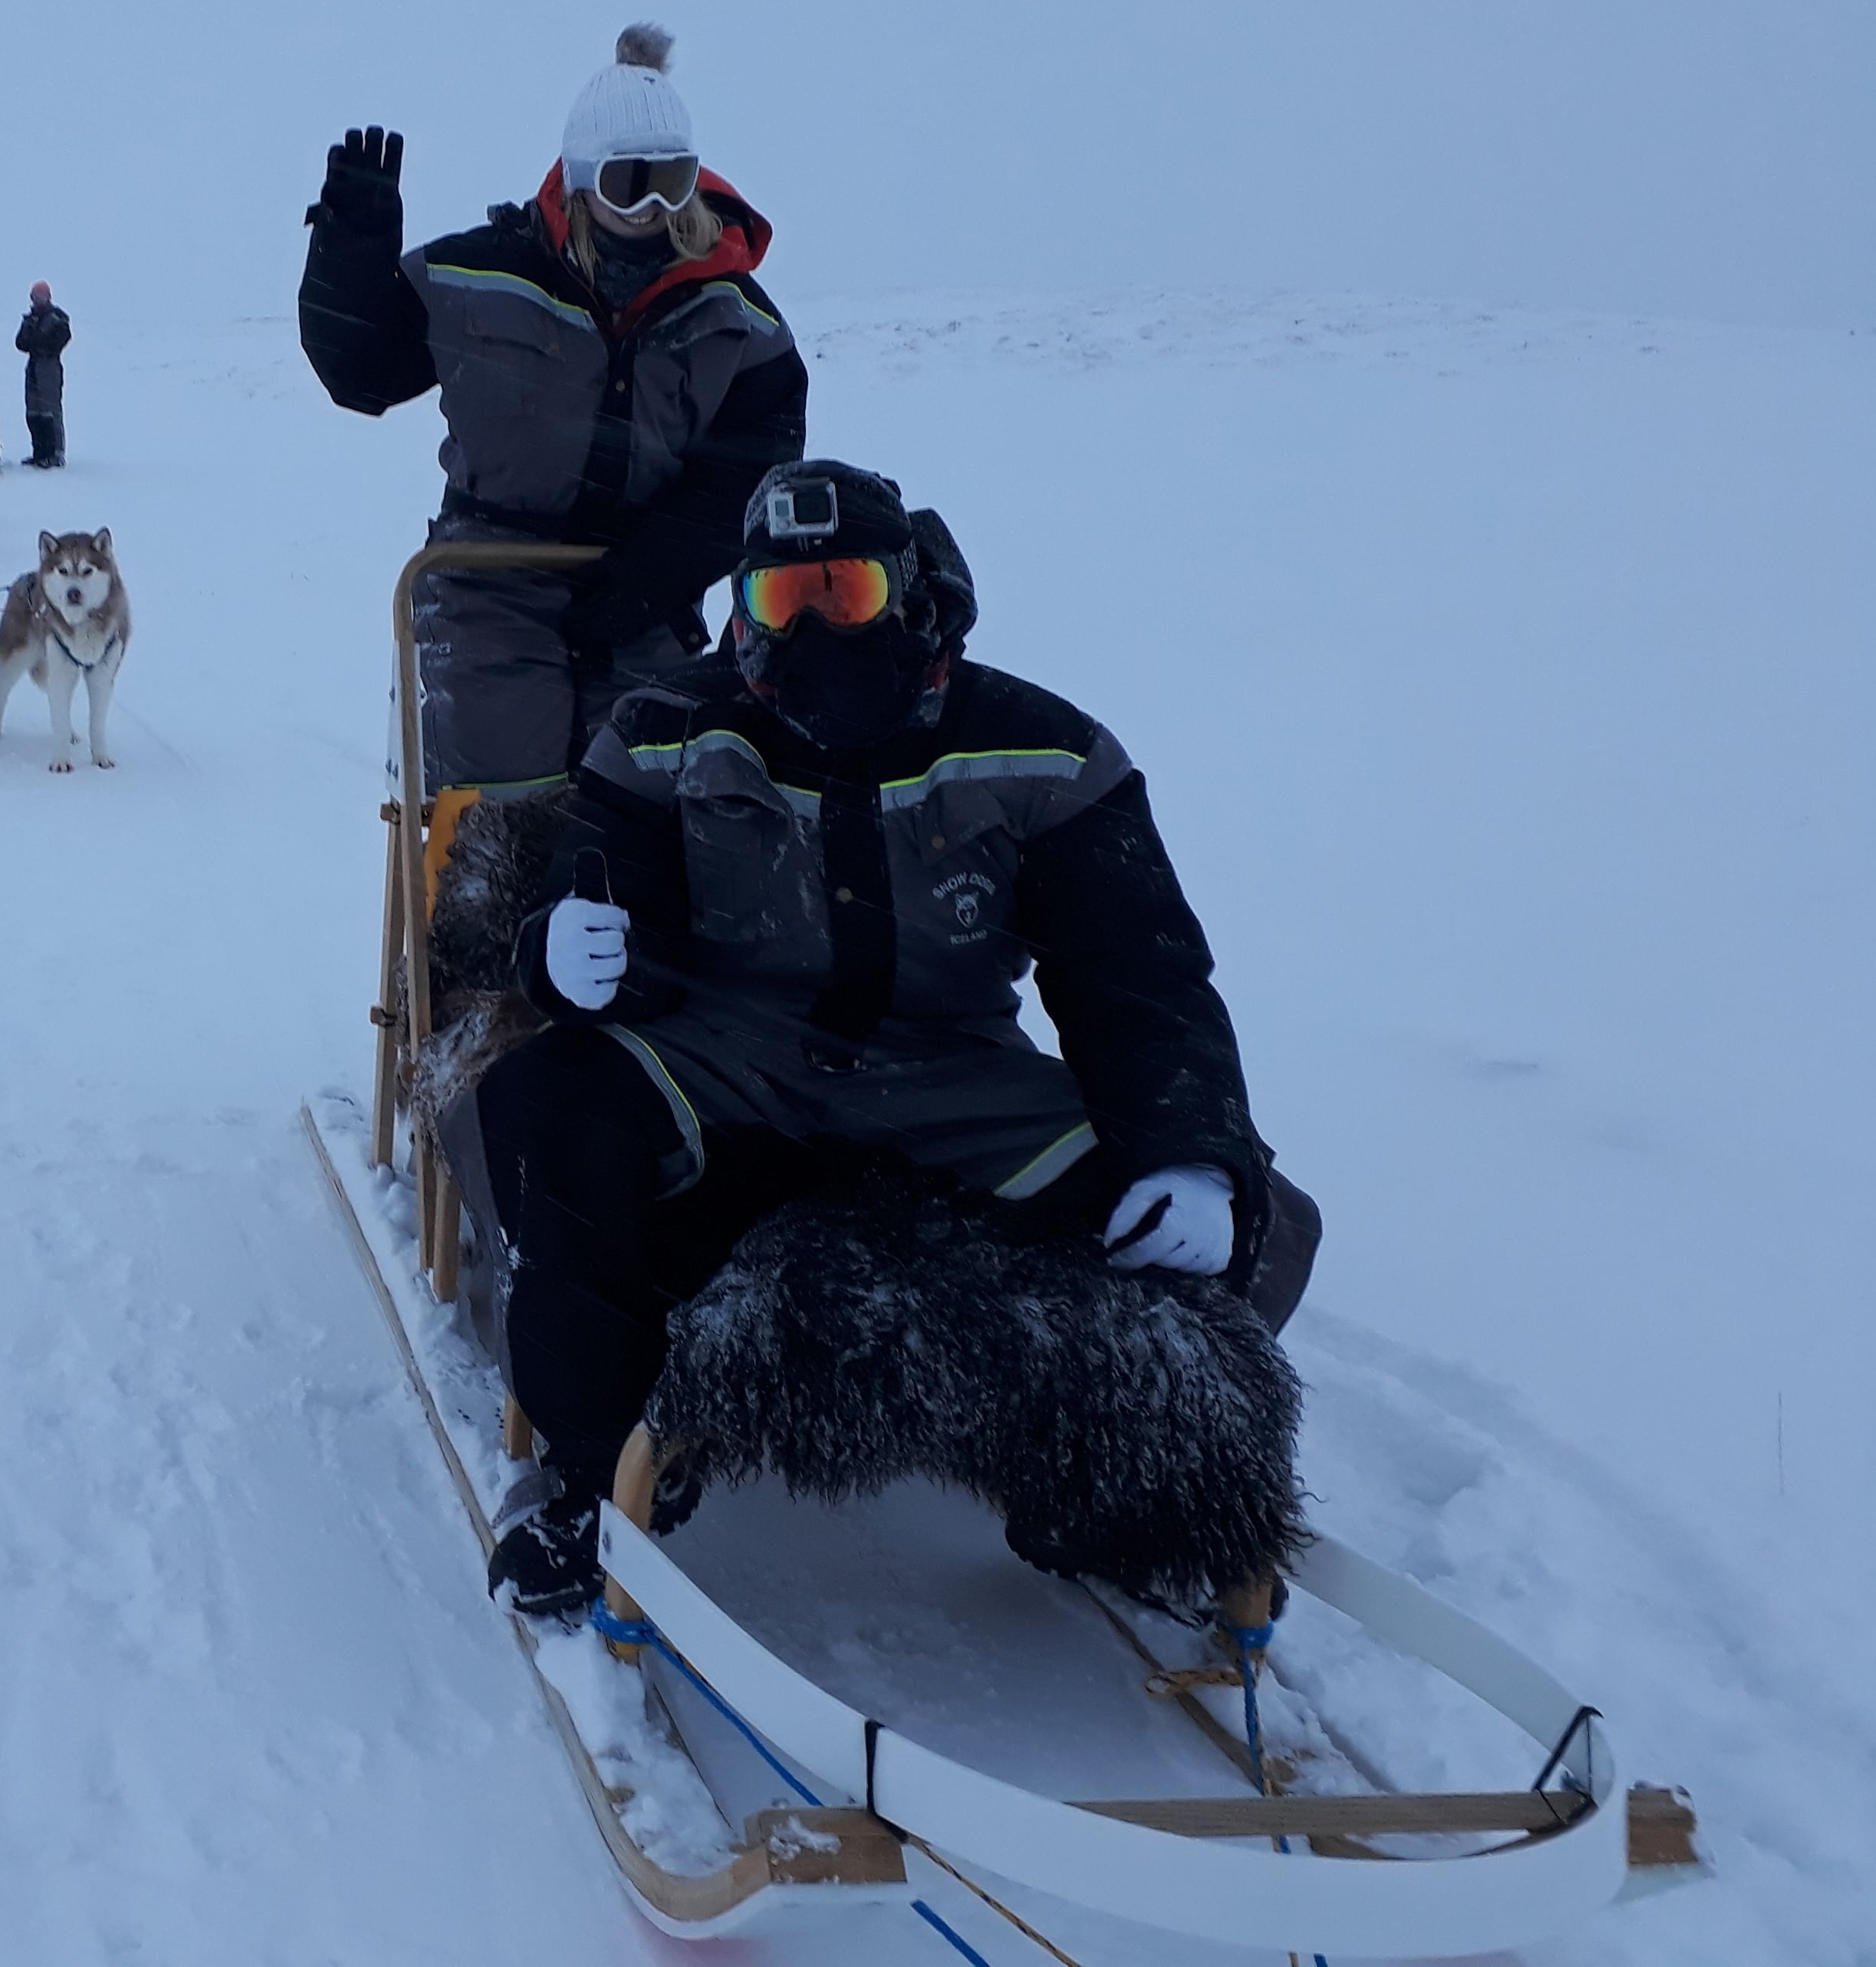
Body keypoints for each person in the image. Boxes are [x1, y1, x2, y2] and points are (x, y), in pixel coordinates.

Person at [475, 460, 1319, 1615]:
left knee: (1254, 1225)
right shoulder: (669, 729)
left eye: (847, 591)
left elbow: (1139, 974)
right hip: (735, 1059)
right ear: (743, 614)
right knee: (546, 1102)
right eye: (783, 603)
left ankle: (1106, 1484)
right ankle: (587, 1473)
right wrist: (559, 954)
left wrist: (1191, 1148)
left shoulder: (1050, 756)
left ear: (914, 590)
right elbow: (612, 896)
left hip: (950, 1074)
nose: (816, 629)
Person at [300, 25, 806, 882]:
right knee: (504, 815)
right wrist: (350, 255)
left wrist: (655, 573)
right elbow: (364, 373)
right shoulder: (484, 276)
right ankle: (482, 979)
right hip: (490, 584)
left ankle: (638, 984)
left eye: (671, 183)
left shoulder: (734, 318)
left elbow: (752, 468)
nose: (652, 212)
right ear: (578, 181)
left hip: (645, 589)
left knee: (647, 805)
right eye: (626, 185)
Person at [15, 280, 73, 468]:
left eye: (39, 296)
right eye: (34, 297)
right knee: (33, 411)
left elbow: (58, 341)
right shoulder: (29, 319)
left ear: (48, 296)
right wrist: (35, 341)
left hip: (50, 368)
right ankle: (39, 452)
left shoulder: (58, 318)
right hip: (33, 366)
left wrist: (38, 343)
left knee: (51, 411)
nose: (36, 300)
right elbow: (21, 343)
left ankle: (56, 453)